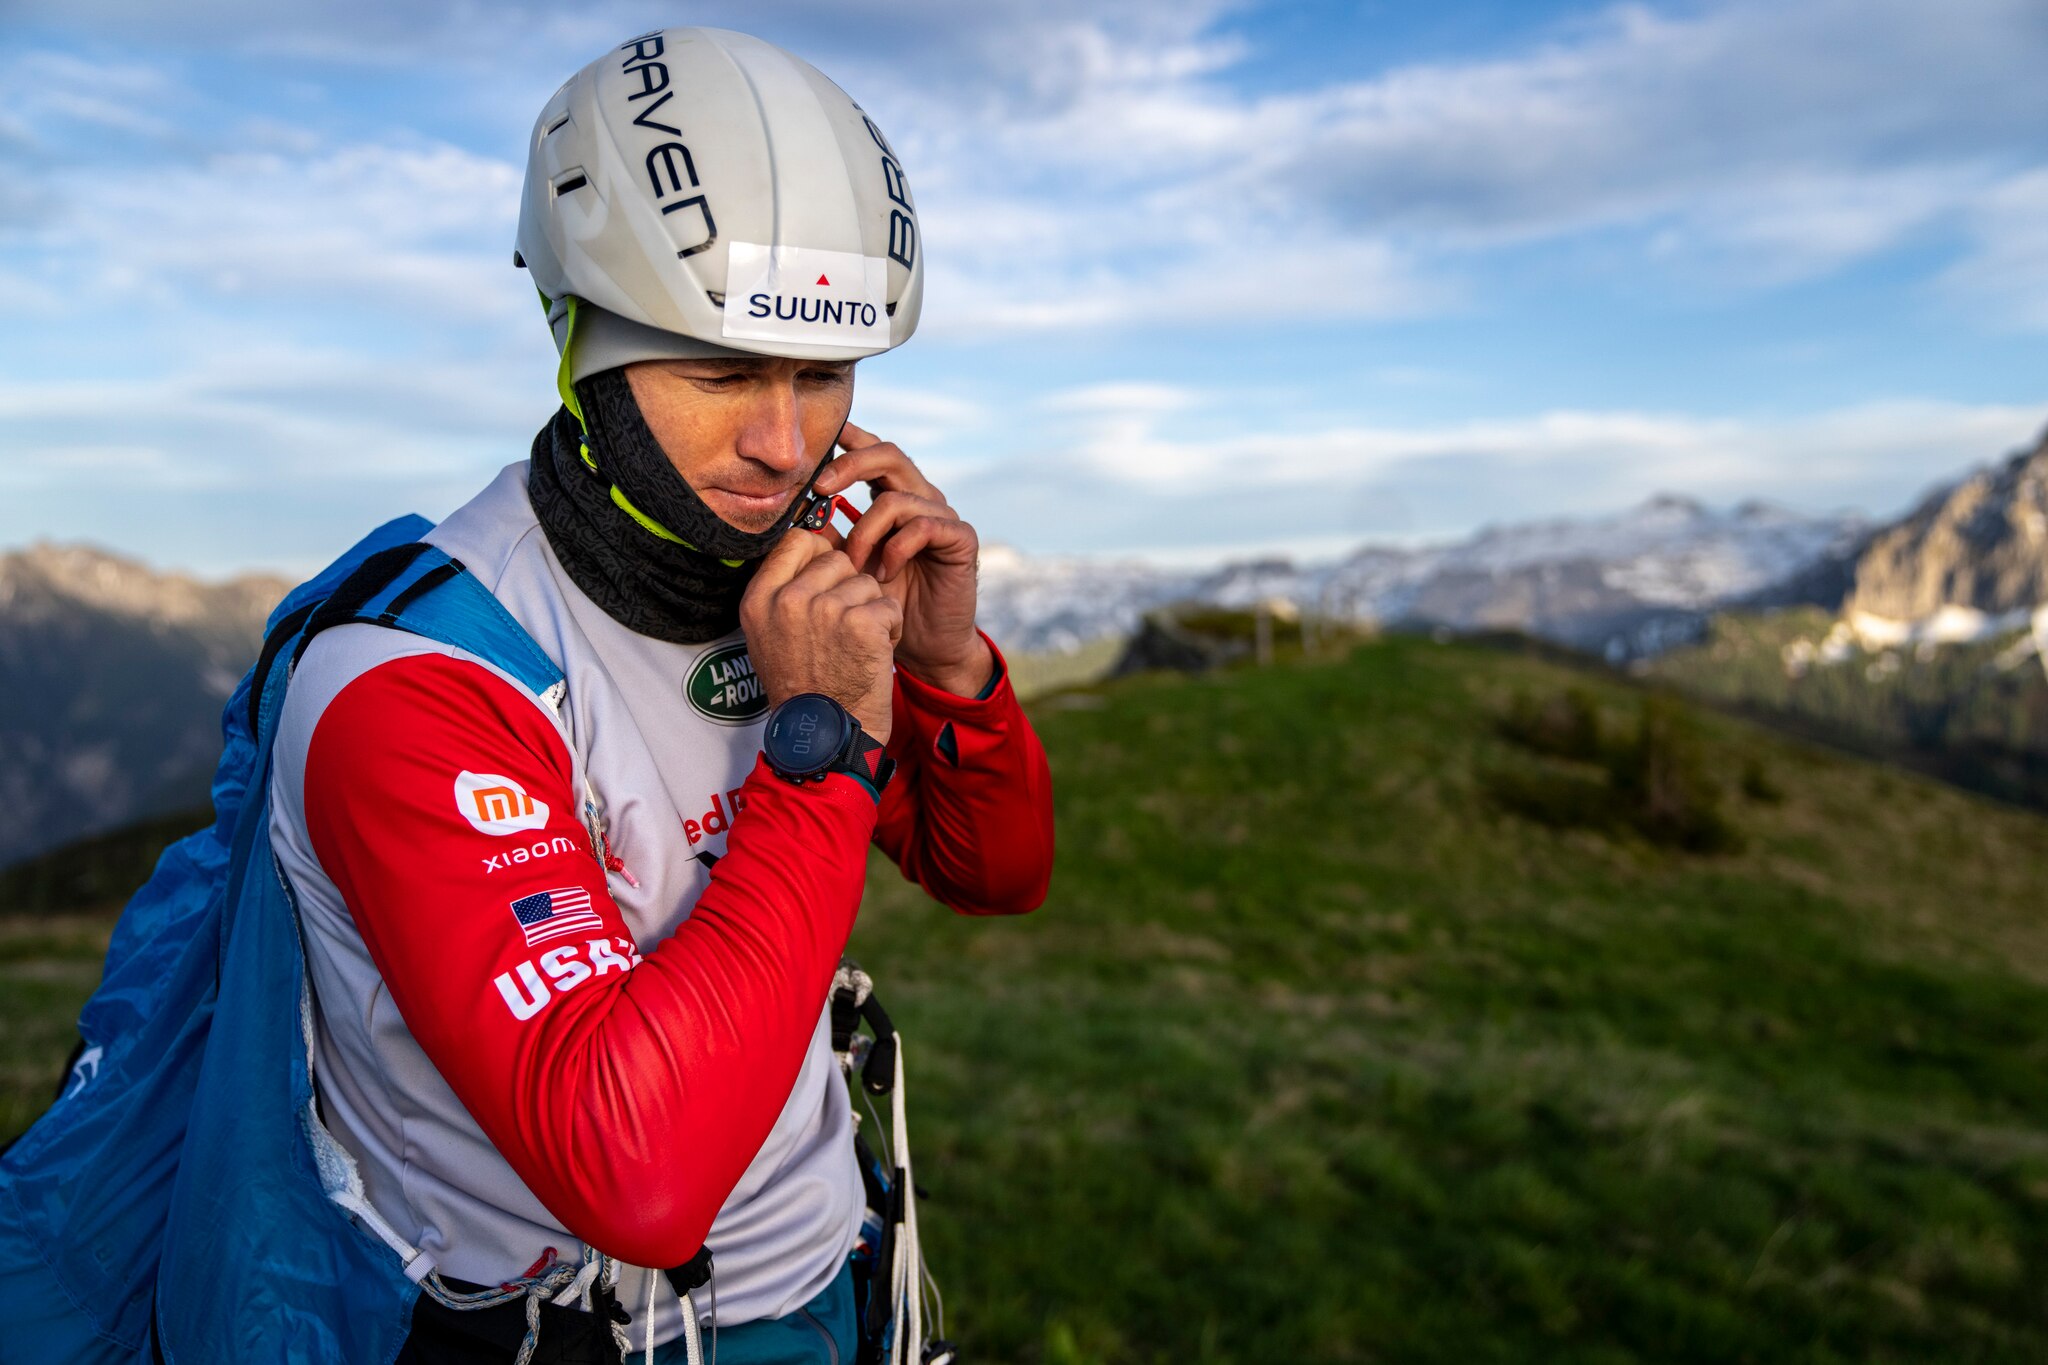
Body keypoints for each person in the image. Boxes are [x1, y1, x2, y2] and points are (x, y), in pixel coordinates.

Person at [265, 26, 1054, 1364]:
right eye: (721, 372)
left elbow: (997, 868)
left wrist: (943, 671)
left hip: (831, 1270)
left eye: (821, 375)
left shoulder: (786, 587)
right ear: (578, 342)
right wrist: (822, 748)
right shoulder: (412, 680)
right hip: (569, 1331)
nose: (784, 441)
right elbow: (633, 1173)